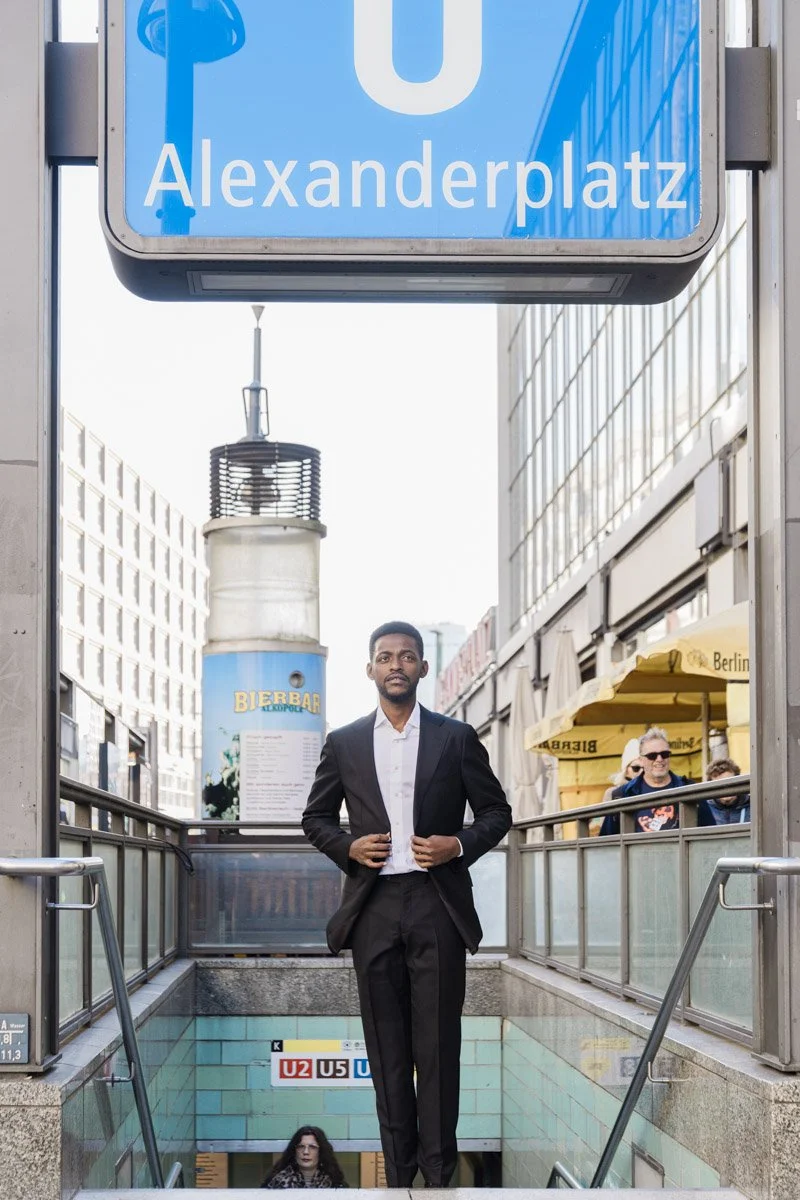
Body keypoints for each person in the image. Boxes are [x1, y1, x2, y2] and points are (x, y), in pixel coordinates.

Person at [302, 621, 512, 1189]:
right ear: (371, 669)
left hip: (436, 904)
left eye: (407, 656)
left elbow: (497, 813)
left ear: (421, 668)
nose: (396, 665)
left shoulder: (456, 737)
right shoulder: (343, 742)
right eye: (385, 657)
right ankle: (399, 1179)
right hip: (371, 908)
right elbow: (314, 819)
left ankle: (439, 1178)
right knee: (387, 1052)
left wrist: (458, 845)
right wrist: (348, 846)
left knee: (438, 1049)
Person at [599, 727, 688, 835]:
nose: (659, 759)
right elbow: (607, 841)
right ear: (642, 760)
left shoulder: (689, 788)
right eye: (652, 756)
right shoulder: (621, 795)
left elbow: (707, 833)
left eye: (664, 754)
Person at [262, 1126, 347, 1189]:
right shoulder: (277, 1182)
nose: (306, 1152)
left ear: (321, 1152)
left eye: (312, 1147)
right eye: (301, 1146)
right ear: (294, 1151)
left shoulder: (335, 1184)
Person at [698, 758, 750, 824]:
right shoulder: (706, 809)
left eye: (730, 782)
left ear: (738, 782)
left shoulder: (753, 806)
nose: (725, 788)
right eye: (719, 784)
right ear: (712, 788)